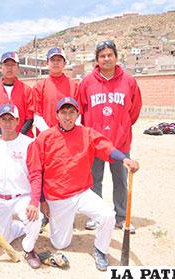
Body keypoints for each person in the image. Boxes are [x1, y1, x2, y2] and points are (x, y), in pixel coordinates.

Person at [26, 97, 139, 271]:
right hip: (58, 197)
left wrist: (123, 158)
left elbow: (105, 146)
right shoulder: (44, 138)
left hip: (82, 192)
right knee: (60, 244)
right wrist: (41, 200)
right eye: (63, 112)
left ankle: (100, 250)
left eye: (72, 112)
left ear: (78, 114)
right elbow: (35, 172)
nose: (68, 116)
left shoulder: (87, 133)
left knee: (108, 215)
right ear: (57, 115)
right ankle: (52, 218)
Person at [76, 40, 142, 233]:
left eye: (109, 55)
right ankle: (96, 216)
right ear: (97, 60)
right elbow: (81, 109)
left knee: (120, 180)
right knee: (94, 179)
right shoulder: (87, 82)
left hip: (120, 143)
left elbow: (135, 110)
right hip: (95, 143)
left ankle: (121, 217)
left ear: (116, 57)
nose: (106, 58)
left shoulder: (129, 81)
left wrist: (122, 127)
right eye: (102, 56)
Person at [0, 103, 42, 269]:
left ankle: (29, 249)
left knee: (36, 218)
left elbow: (36, 174)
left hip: (21, 197)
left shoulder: (29, 143)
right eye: (4, 119)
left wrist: (34, 202)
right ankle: (20, 227)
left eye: (11, 119)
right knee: (1, 240)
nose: (7, 123)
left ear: (18, 121)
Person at [0, 51, 34, 137]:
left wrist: (19, 137)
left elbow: (30, 117)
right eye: (6, 65)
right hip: (2, 140)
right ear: (1, 68)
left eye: (12, 65)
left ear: (18, 68)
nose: (9, 68)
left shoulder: (27, 90)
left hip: (24, 138)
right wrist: (2, 135)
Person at [32, 47, 78, 133]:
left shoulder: (74, 86)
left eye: (59, 60)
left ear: (64, 63)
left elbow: (78, 114)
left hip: (69, 135)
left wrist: (70, 131)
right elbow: (37, 115)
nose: (55, 63)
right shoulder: (39, 87)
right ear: (47, 63)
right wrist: (49, 133)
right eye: (52, 60)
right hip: (46, 136)